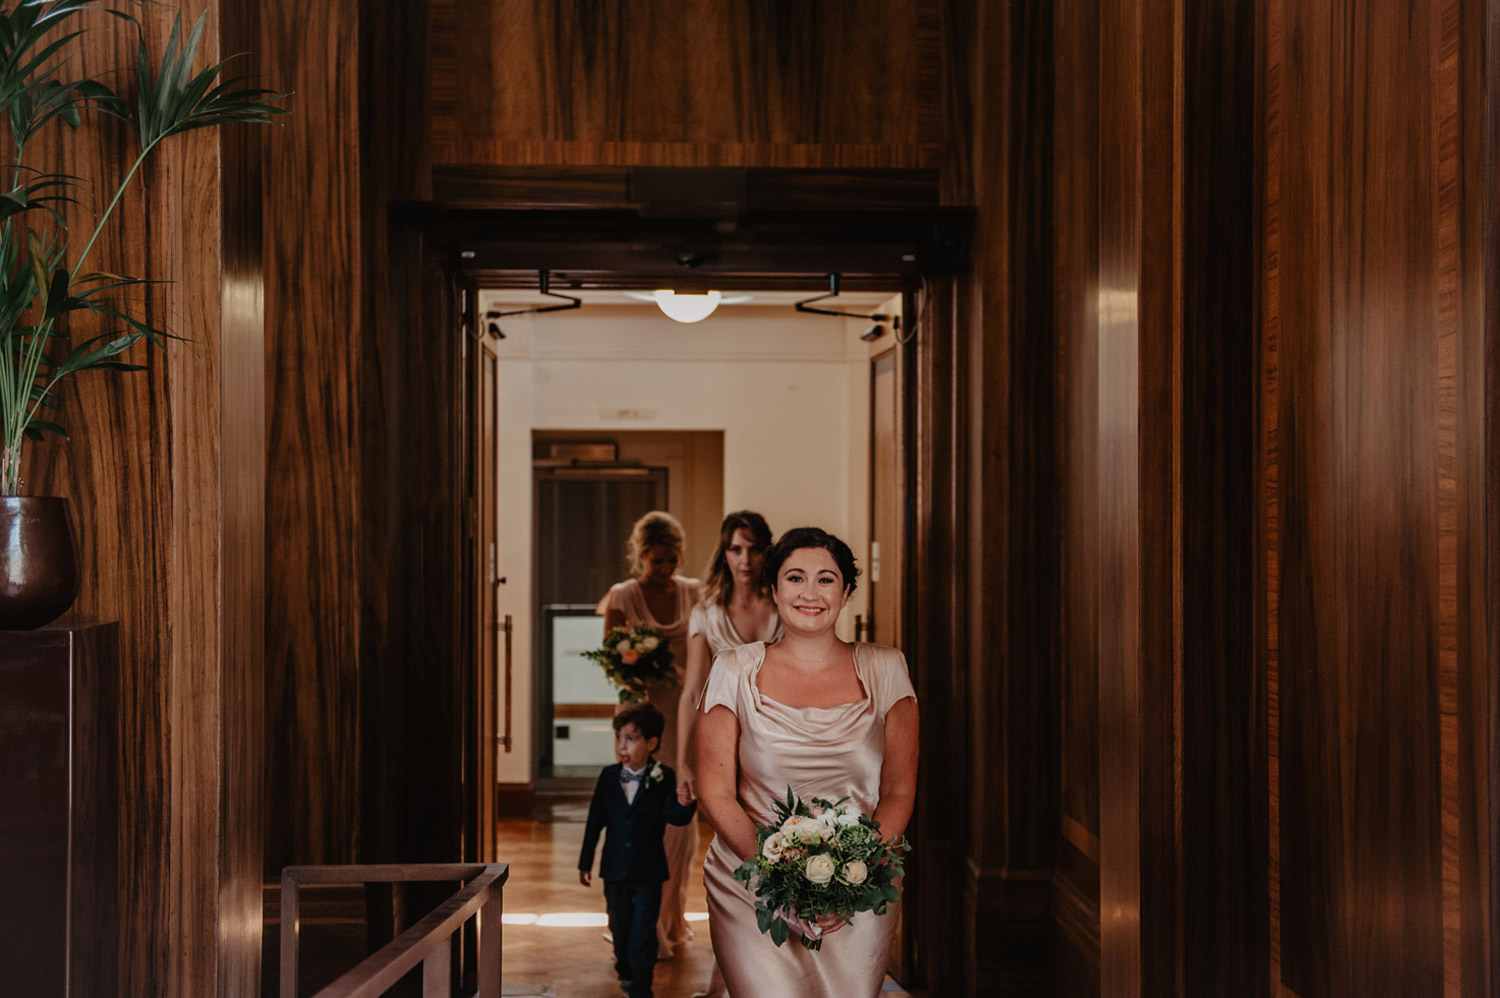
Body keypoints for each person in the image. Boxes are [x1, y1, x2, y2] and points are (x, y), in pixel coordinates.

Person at [693, 527, 919, 998]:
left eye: (826, 580)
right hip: (751, 882)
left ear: (847, 591)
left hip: (860, 888)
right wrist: (781, 876)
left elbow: (898, 790)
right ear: (773, 590)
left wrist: (858, 875)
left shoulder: (887, 667)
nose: (810, 593)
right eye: (795, 578)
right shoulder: (733, 669)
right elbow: (715, 792)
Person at [676, 511, 782, 998]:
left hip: (776, 749)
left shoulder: (784, 601)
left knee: (773, 860)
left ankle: (737, 983)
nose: (745, 559)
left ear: (766, 551)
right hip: (723, 752)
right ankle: (727, 983)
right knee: (734, 866)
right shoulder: (708, 610)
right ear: (724, 552)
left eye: (754, 548)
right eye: (736, 549)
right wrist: (683, 761)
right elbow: (693, 689)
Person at [603, 510, 703, 955]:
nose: (663, 569)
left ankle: (670, 918)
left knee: (680, 819)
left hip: (684, 713)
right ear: (641, 556)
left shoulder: (696, 593)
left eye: (670, 560)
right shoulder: (623, 595)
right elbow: (613, 662)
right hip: (640, 717)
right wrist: (637, 674)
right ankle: (637, 923)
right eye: (655, 561)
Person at [579, 703, 698, 998]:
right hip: (615, 868)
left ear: (651, 743)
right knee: (619, 926)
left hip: (649, 868)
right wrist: (585, 861)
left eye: (631, 739)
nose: (622, 745)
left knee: (644, 928)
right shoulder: (608, 777)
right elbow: (596, 821)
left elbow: (675, 816)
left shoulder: (664, 777)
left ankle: (641, 984)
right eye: (619, 738)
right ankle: (626, 970)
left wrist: (687, 801)